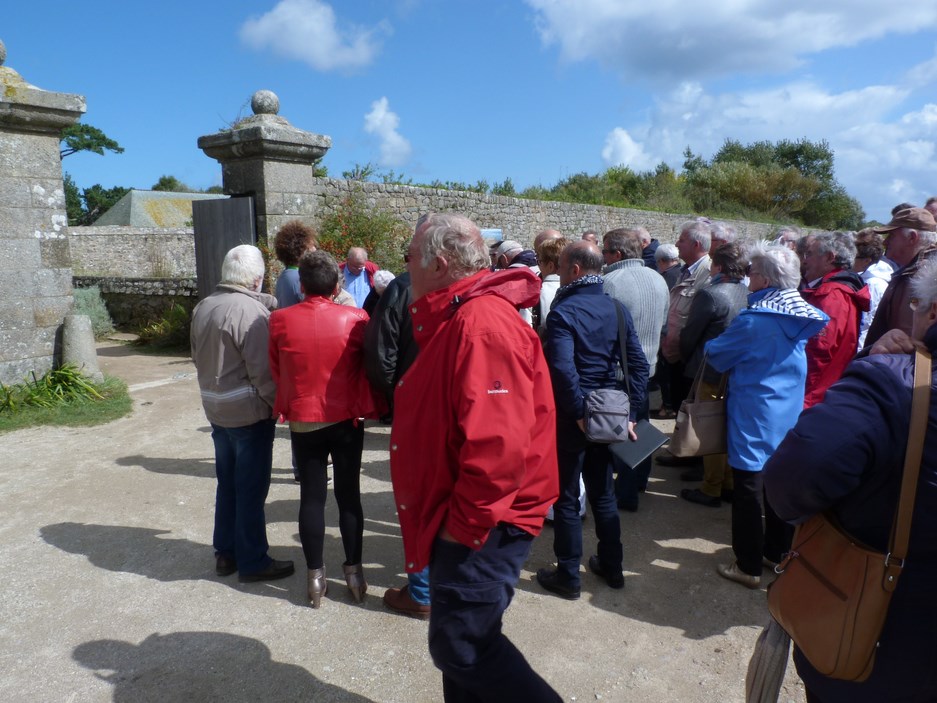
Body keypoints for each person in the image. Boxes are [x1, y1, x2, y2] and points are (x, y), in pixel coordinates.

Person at [390, 213, 561, 702]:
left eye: (409, 257)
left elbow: (498, 454)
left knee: (462, 648)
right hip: (474, 517)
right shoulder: (460, 317)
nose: (405, 267)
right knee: (460, 654)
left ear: (440, 264)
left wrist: (459, 531)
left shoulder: (480, 325)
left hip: (484, 525)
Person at [763, 257, 937, 702]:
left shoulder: (894, 387)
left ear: (933, 312)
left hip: (886, 640)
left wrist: (874, 364)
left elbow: (791, 482)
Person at [704, 243, 828, 588]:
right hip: (787, 411)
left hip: (754, 411)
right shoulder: (798, 315)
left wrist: (712, 343)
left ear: (767, 278)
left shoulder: (756, 320)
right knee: (776, 485)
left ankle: (747, 565)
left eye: (752, 272)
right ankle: (776, 553)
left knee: (747, 488)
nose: (748, 277)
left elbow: (717, 355)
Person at [268, 251, 382, 608]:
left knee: (312, 498)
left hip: (304, 416)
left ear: (301, 285)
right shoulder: (356, 317)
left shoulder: (279, 320)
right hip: (345, 417)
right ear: (337, 286)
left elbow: (277, 369)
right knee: (349, 495)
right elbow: (366, 367)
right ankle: (354, 572)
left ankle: (315, 577)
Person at [538, 240, 649, 598]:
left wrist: (577, 415)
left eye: (561, 267)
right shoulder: (616, 309)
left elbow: (562, 371)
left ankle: (569, 576)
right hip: (610, 413)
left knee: (568, 498)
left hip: (575, 415)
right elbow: (638, 365)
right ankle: (612, 567)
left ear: (573, 269)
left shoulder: (563, 313)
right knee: (602, 492)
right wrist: (631, 414)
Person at [190, 244, 294, 583]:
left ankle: (225, 552)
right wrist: (278, 405)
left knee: (228, 483)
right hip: (248, 412)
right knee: (251, 487)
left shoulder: (204, 306)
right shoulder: (251, 314)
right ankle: (252, 560)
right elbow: (262, 372)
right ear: (257, 279)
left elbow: (196, 356)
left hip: (215, 406)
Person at [363, 217, 431, 620]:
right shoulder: (479, 288)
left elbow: (379, 351)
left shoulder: (403, 287)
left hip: (416, 407)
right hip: (459, 406)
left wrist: (394, 395)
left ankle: (422, 590)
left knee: (419, 498)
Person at [601, 228, 667, 511]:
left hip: (619, 371)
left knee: (620, 430)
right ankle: (640, 479)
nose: (602, 257)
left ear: (616, 254)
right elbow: (664, 324)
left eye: (604, 252)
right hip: (649, 365)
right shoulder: (659, 279)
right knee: (641, 423)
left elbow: (602, 332)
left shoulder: (610, 282)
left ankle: (625, 494)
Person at [678, 243, 749, 506]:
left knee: (710, 427)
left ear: (718, 266)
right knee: (729, 427)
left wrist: (686, 358)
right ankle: (728, 483)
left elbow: (690, 333)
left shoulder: (710, 295)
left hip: (710, 370)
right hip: (736, 372)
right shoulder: (749, 292)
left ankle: (711, 488)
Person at [800, 232, 869, 408]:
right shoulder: (840, 291)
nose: (805, 260)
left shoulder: (830, 296)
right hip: (825, 391)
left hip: (811, 396)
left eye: (810, 254)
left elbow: (817, 352)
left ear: (829, 258)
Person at [865, 207, 937, 347]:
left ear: (912, 237)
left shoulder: (927, 276)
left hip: (909, 366)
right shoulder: (911, 272)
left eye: (891, 236)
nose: (885, 243)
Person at [853, 228, 892, 350]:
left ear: (866, 260)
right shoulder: (864, 278)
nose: (850, 261)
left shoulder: (873, 284)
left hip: (860, 347)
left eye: (855, 257)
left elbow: (865, 323)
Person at [273, 220, 317, 308]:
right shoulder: (299, 278)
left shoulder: (285, 276)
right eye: (310, 246)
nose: (314, 249)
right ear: (301, 251)